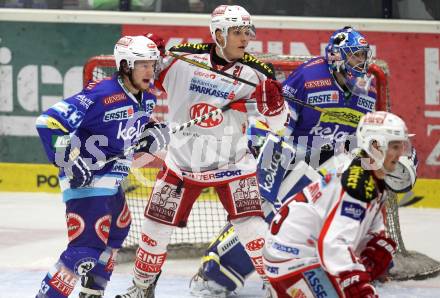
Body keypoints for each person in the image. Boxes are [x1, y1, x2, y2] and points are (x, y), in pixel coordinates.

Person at [189, 26, 378, 297]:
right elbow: (275, 125)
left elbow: (361, 139)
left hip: (328, 167)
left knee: (325, 217)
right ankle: (216, 272)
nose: (361, 62)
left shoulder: (367, 90)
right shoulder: (309, 76)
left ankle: (305, 273)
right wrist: (270, 165)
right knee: (268, 213)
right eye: (355, 56)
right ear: (336, 56)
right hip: (291, 157)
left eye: (363, 55)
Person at [116, 4, 288, 298]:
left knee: (254, 233)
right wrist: (152, 57)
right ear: (218, 33)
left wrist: (275, 106)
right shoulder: (182, 59)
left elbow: (278, 124)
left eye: (247, 31)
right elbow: (142, 80)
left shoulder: (258, 72)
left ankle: (278, 288)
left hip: (233, 165)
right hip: (181, 165)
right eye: (236, 32)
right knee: (154, 231)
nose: (244, 38)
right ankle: (141, 288)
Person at [35, 35, 170, 298]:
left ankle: (91, 292)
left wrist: (152, 133)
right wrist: (70, 160)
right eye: (142, 64)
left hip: (111, 179)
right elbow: (47, 122)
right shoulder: (102, 94)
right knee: (84, 252)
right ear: (125, 66)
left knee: (119, 229)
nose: (149, 70)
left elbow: (135, 130)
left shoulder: (147, 98)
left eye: (152, 64)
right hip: (87, 181)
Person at [262, 111, 413, 297]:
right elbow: (334, 244)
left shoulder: (371, 176)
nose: (400, 155)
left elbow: (361, 230)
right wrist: (354, 279)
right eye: (394, 147)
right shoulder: (357, 184)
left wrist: (375, 240)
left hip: (297, 252)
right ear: (375, 145)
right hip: (292, 258)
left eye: (402, 146)